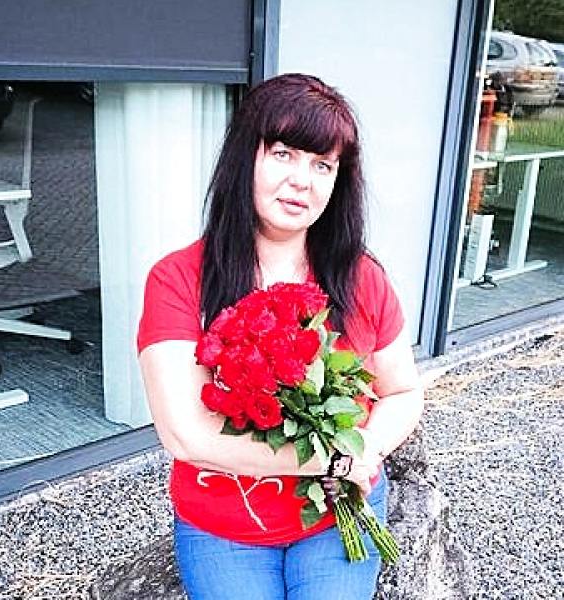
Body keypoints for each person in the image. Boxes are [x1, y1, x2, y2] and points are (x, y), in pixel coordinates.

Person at [138, 73, 424, 600]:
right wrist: (336, 458)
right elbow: (187, 435)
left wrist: (369, 448)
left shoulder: (361, 277)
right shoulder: (177, 280)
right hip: (225, 522)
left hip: (338, 509)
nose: (302, 181)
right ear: (244, 157)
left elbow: (403, 390)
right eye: (283, 154)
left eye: (322, 165)